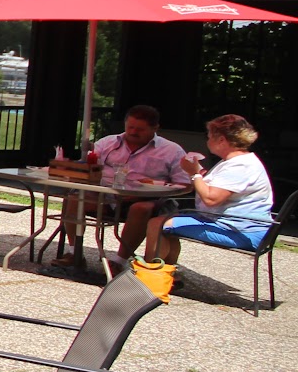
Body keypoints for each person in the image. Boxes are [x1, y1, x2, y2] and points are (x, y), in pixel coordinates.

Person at [138, 114, 276, 279]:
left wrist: (194, 174)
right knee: (167, 223)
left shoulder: (240, 166)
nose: (207, 140)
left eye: (210, 136)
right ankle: (166, 276)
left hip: (239, 231)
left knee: (157, 224)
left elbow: (211, 199)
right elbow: (218, 186)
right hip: (237, 225)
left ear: (222, 140)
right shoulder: (239, 161)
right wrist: (198, 172)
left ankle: (149, 277)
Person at [56, 103, 191, 270]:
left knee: (140, 208)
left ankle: (119, 261)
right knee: (74, 199)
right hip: (105, 196)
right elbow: (90, 167)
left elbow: (185, 185)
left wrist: (149, 191)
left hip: (146, 200)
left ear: (155, 128)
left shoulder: (171, 151)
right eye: (130, 127)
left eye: (140, 129)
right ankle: (74, 253)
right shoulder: (108, 142)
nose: (133, 132)